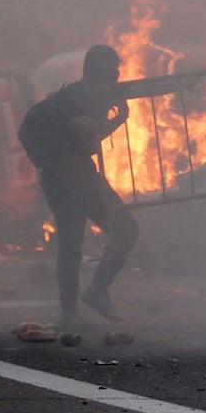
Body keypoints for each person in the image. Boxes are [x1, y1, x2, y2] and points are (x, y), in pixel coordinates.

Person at [37, 45, 139, 325]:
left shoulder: (87, 96)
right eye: (112, 70)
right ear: (99, 71)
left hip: (80, 173)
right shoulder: (76, 98)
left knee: (125, 229)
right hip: (65, 177)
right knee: (72, 242)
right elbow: (85, 136)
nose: (116, 75)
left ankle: (96, 292)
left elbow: (89, 138)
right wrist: (112, 116)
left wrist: (117, 118)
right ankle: (71, 308)